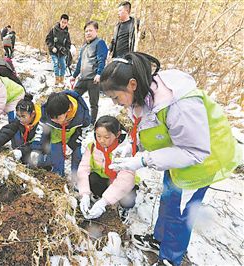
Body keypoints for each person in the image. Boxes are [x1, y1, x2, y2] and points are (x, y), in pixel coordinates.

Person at [100, 52, 242, 266]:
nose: (114, 103)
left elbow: (194, 150)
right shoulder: (143, 94)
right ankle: (159, 241)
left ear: (131, 84)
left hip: (201, 161)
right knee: (169, 198)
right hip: (177, 154)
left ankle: (170, 258)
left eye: (115, 97)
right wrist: (132, 147)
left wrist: (143, 160)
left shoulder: (178, 104)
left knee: (181, 213)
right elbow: (151, 127)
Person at [77, 115, 137, 222]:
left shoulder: (125, 151)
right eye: (98, 136)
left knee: (128, 196)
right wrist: (84, 194)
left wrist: (104, 201)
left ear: (117, 134)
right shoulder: (92, 147)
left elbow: (125, 180)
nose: (101, 140)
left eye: (106, 137)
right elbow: (83, 169)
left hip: (120, 184)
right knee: (92, 178)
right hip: (104, 180)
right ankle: (97, 197)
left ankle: (124, 208)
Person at [0, 94, 50, 167]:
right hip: (28, 147)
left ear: (32, 114)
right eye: (18, 116)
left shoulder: (42, 123)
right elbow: (8, 130)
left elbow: (38, 144)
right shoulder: (20, 120)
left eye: (23, 116)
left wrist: (21, 152)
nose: (20, 119)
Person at [41, 90, 91, 177]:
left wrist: (72, 144)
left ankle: (76, 179)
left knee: (77, 156)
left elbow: (83, 131)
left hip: (74, 137)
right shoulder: (46, 113)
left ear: (68, 110)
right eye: (51, 118)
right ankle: (59, 176)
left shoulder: (82, 115)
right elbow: (43, 130)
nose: (54, 120)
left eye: (57, 118)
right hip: (56, 137)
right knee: (57, 158)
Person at [71, 21, 108, 126]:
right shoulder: (83, 47)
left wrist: (99, 73)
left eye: (90, 30)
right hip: (82, 79)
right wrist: (74, 76)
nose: (88, 33)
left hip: (93, 79)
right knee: (73, 97)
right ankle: (75, 118)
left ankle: (92, 123)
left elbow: (102, 59)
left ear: (96, 31)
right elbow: (79, 63)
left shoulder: (100, 43)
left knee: (93, 103)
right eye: (86, 31)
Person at [45, 14, 71, 86]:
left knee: (63, 65)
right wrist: (52, 47)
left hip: (62, 52)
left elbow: (68, 44)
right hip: (54, 51)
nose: (63, 24)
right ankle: (56, 79)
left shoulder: (67, 33)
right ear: (60, 21)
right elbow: (48, 40)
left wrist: (65, 50)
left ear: (67, 23)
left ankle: (61, 79)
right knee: (56, 64)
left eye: (65, 23)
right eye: (62, 22)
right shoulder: (54, 30)